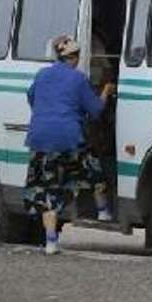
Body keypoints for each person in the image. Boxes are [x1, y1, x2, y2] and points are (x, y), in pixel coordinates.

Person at [23, 34, 113, 255]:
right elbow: (96, 110)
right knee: (92, 166)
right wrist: (106, 92)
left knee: (47, 190)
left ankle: (51, 242)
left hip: (40, 140)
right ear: (73, 58)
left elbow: (32, 99)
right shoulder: (79, 79)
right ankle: (102, 210)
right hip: (68, 138)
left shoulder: (42, 75)